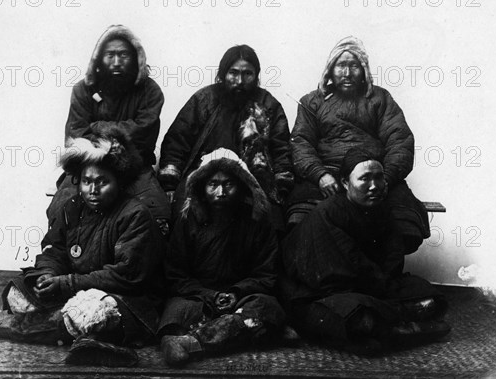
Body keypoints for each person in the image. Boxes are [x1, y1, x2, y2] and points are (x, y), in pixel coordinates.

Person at [0, 127, 166, 367]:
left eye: (102, 182)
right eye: (87, 181)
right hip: (74, 286)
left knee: (92, 310)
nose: (93, 190)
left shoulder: (135, 214)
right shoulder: (71, 207)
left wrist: (66, 283)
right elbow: (54, 249)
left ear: (118, 181)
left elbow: (125, 276)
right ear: (79, 180)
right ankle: (83, 336)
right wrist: (47, 275)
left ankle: (21, 327)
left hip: (125, 297)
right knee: (19, 291)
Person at [281, 149, 450, 355]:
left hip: (370, 285)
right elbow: (342, 268)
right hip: (323, 291)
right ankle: (396, 325)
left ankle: (392, 326)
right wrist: (382, 290)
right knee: (356, 316)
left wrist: (386, 285)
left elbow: (392, 256)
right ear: (345, 183)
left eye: (379, 178)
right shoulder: (328, 212)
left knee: (429, 296)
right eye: (365, 179)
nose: (374, 186)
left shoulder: (382, 209)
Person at [288, 36, 428, 253]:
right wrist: (319, 175)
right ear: (330, 69)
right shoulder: (312, 102)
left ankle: (383, 275)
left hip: (373, 174)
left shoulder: (379, 99)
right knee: (302, 222)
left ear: (364, 70)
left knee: (404, 224)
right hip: (328, 174)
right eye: (341, 65)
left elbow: (399, 140)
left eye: (354, 65)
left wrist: (385, 179)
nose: (347, 73)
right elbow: (301, 143)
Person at [158, 148, 286, 366]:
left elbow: (266, 273)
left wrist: (237, 292)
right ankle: (237, 332)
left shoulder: (257, 221)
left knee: (267, 307)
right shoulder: (188, 220)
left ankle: (191, 342)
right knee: (175, 313)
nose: (221, 192)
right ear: (201, 186)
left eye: (228, 184)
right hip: (198, 298)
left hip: (243, 296)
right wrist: (209, 295)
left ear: (241, 185)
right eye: (212, 184)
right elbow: (176, 274)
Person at [47, 25, 170, 234]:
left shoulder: (151, 91)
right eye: (110, 55)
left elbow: (143, 132)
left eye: (123, 55)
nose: (116, 62)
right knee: (61, 208)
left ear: (136, 58)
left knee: (158, 211)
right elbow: (76, 133)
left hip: (134, 166)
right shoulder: (82, 90)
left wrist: (98, 127)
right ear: (98, 58)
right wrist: (107, 146)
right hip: (88, 165)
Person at [158, 44, 293, 232]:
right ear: (223, 74)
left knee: (271, 221)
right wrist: (169, 184)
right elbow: (178, 140)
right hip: (203, 176)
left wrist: (281, 186)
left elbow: (281, 149)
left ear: (256, 76)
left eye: (247, 74)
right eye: (233, 73)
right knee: (183, 214)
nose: (240, 80)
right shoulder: (204, 99)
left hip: (254, 178)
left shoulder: (268, 105)